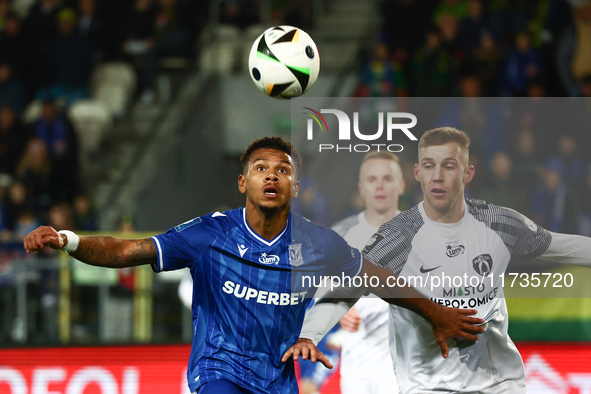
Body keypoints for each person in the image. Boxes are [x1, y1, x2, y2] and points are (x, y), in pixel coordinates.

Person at [23, 136, 483, 394]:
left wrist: (436, 313)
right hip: (218, 374)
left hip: (278, 382)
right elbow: (128, 251)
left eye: (282, 170)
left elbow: (377, 278)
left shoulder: (317, 244)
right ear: (244, 181)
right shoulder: (210, 234)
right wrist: (68, 239)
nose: (272, 176)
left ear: (295, 187)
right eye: (262, 168)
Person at [288, 127, 591, 393]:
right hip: (429, 385)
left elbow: (565, 246)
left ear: (468, 173)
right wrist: (308, 334)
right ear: (418, 173)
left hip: (500, 383)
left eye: (449, 166)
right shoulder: (397, 237)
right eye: (429, 166)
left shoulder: (499, 225)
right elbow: (346, 288)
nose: (438, 176)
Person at [331, 151, 404, 394]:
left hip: (404, 373)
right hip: (356, 373)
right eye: (372, 180)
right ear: (361, 188)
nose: (380, 186)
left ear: (401, 185)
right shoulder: (340, 236)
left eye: (387, 178)